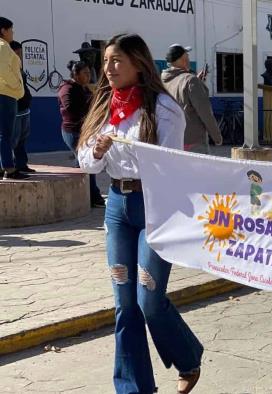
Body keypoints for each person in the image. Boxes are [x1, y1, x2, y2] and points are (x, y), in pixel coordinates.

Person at [77, 34, 203, 394]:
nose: (109, 68)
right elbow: (85, 162)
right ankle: (133, 388)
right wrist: (98, 151)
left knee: (148, 299)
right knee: (123, 304)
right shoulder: (105, 106)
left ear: (139, 63)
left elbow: (172, 165)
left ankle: (188, 357)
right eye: (105, 62)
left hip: (155, 207)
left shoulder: (164, 108)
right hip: (117, 205)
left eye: (116, 60)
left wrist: (142, 154)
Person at [58, 60, 105, 207]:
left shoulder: (84, 89)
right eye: (85, 73)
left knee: (81, 164)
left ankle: (78, 196)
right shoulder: (67, 89)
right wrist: (89, 114)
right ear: (75, 74)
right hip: (73, 132)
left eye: (89, 73)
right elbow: (69, 108)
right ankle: (94, 198)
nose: (88, 76)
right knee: (88, 165)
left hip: (85, 131)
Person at [161, 44, 222, 154]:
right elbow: (205, 113)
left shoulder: (163, 81)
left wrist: (198, 82)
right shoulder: (190, 81)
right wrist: (217, 137)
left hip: (172, 141)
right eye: (187, 56)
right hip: (193, 142)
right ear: (183, 59)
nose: (188, 59)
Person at [0, 17, 27, 180]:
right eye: (11, 29)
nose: (13, 32)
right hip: (6, 94)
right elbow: (2, 69)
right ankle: (9, 169)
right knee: (6, 133)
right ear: (3, 30)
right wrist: (16, 85)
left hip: (5, 93)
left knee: (2, 133)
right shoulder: (3, 47)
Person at [10, 40, 34, 174]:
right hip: (15, 109)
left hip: (24, 109)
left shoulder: (19, 67)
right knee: (13, 139)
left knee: (22, 139)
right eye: (17, 52)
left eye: (20, 52)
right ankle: (8, 165)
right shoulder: (7, 67)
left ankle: (21, 164)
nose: (19, 55)